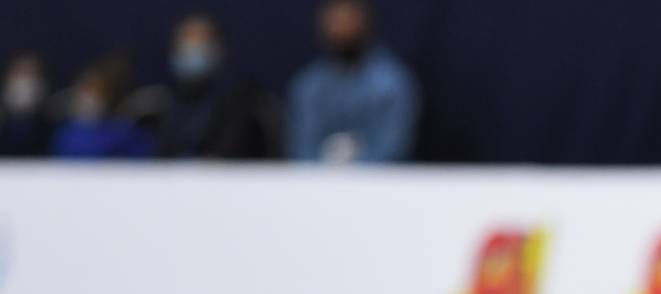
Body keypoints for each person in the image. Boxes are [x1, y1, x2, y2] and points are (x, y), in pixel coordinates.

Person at [125, 13, 280, 159]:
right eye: (184, 49)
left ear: (217, 51)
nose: (190, 56)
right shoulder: (159, 106)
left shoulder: (241, 106)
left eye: (198, 49)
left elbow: (228, 155)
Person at [285, 0, 418, 163]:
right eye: (335, 23)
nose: (341, 31)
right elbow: (303, 147)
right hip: (317, 183)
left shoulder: (391, 84)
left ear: (365, 24)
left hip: (377, 183)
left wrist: (355, 178)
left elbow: (391, 149)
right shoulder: (308, 84)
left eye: (348, 21)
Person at [51, 54, 154, 160]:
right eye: (84, 89)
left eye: (93, 90)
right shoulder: (65, 134)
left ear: (107, 95)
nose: (87, 97)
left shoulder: (126, 133)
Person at [0, 53, 55, 157]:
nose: (24, 80)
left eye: (30, 74)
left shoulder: (52, 118)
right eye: (20, 72)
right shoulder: (3, 117)